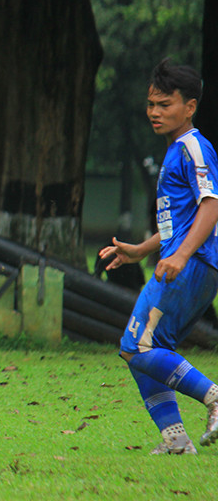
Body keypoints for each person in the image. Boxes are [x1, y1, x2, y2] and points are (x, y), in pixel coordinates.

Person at [99, 58, 218, 455]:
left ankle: (215, 399)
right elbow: (178, 222)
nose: (154, 112)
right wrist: (140, 251)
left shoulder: (193, 148)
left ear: (191, 106)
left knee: (139, 347)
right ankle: (176, 439)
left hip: (194, 263)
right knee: (140, 350)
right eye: (151, 104)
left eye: (165, 104)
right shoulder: (174, 152)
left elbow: (211, 207)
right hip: (184, 259)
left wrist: (182, 256)